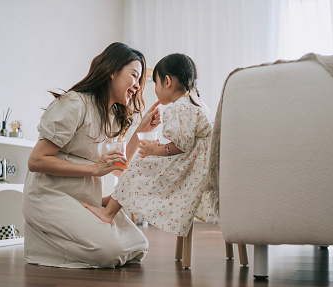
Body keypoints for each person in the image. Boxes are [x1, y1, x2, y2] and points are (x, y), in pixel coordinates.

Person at [22, 42, 161, 268]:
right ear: (112, 71)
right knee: (112, 252)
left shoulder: (112, 117)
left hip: (84, 200)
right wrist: (94, 169)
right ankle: (44, 244)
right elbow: (36, 161)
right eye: (134, 76)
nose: (137, 86)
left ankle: (63, 240)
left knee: (138, 246)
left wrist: (141, 131)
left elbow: (118, 166)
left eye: (139, 81)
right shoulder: (74, 104)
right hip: (50, 196)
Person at [83, 53, 214, 238]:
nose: (155, 90)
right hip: (198, 168)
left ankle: (109, 211)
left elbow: (182, 145)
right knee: (145, 164)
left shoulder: (179, 107)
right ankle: (115, 199)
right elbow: (189, 142)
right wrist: (161, 148)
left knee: (141, 164)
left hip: (189, 170)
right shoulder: (197, 103)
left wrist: (156, 149)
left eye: (156, 84)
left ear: (167, 82)